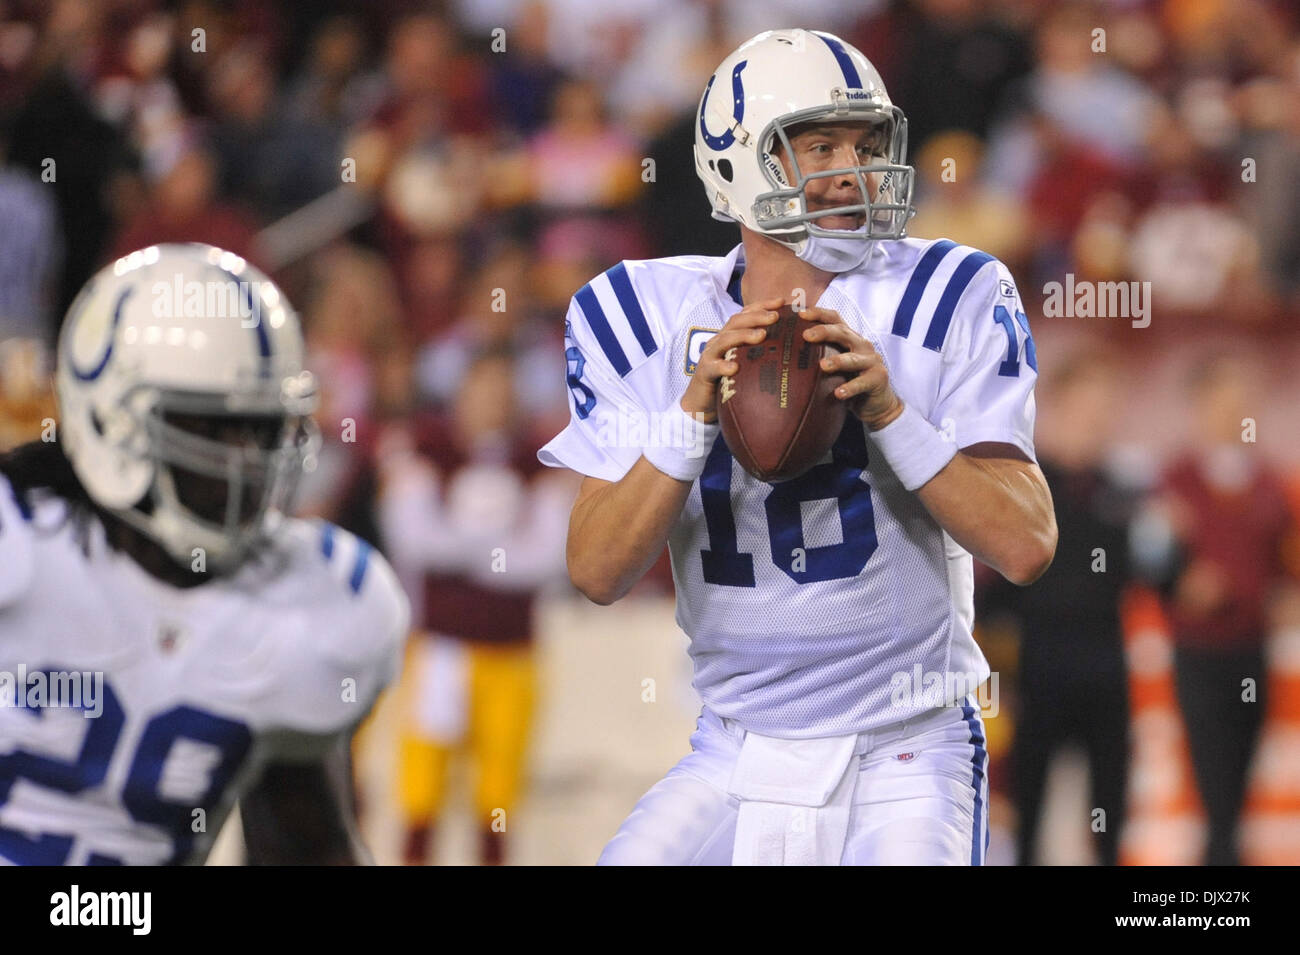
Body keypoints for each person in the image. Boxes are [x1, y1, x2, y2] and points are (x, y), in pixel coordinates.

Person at [539, 29, 1057, 866]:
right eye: (820, 145)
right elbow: (597, 569)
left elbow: (1027, 542)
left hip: (907, 747)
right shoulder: (640, 315)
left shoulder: (946, 293)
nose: (853, 171)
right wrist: (690, 415)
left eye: (867, 143)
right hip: (734, 746)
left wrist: (892, 414)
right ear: (740, 162)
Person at [0, 243, 409, 865]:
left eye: (262, 428)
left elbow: (304, 848)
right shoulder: (18, 548)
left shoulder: (299, 605)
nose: (244, 460)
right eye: (211, 428)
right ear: (113, 422)